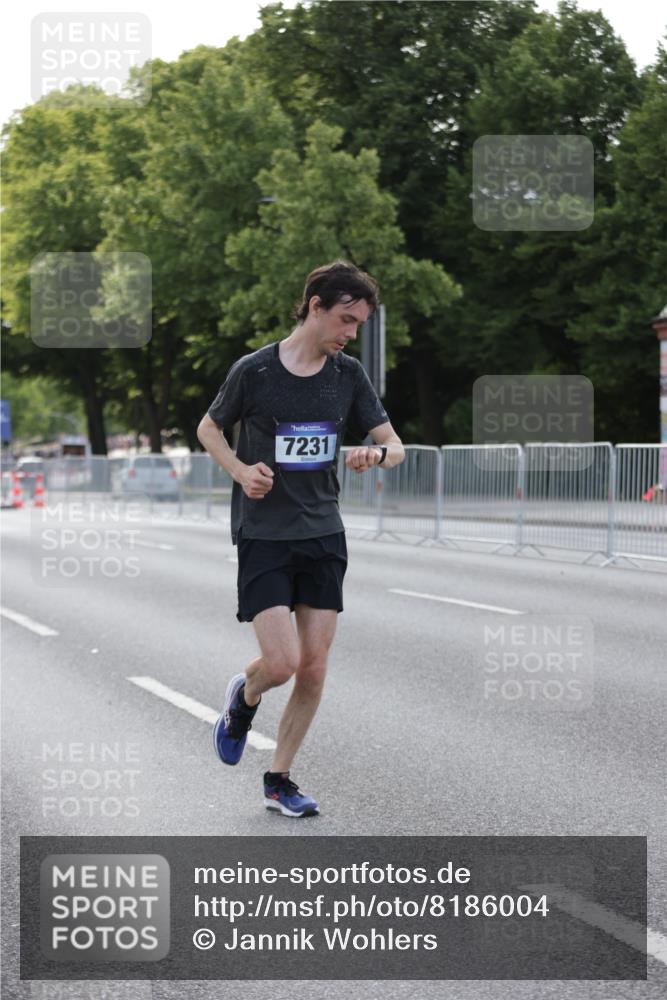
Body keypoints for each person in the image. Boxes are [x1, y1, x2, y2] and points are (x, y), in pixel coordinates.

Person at [197, 260, 405, 817]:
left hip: (323, 533)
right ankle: (244, 697)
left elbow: (396, 445)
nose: (350, 333)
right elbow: (208, 428)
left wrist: (373, 453)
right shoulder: (256, 371)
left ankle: (279, 779)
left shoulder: (347, 376)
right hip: (265, 534)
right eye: (345, 319)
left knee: (314, 667)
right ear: (315, 305)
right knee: (282, 663)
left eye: (359, 323)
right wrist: (242, 471)